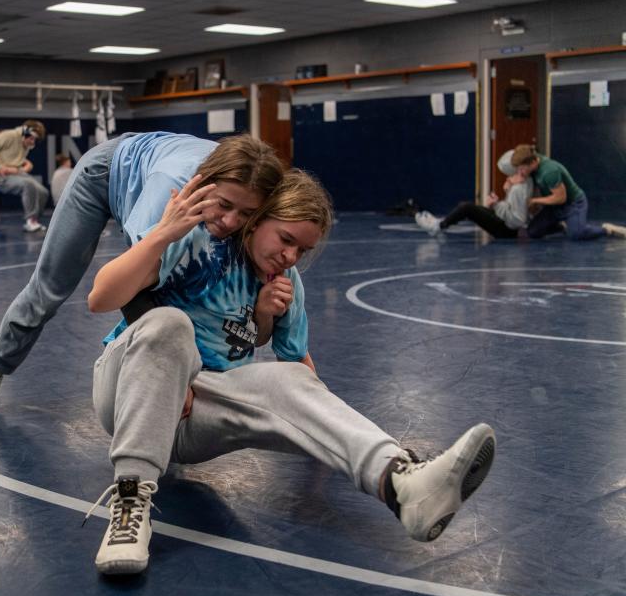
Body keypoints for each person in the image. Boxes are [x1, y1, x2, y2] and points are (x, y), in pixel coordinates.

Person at [83, 170, 497, 574]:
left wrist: (324, 430)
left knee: (293, 379)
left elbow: (299, 371)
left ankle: (402, 483)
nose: (290, 256)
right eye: (285, 239)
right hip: (127, 395)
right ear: (257, 219)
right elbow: (101, 297)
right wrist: (161, 235)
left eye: (301, 250)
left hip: (194, 423)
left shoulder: (284, 283)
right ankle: (129, 503)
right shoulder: (194, 241)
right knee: (168, 325)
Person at [0, 132, 286, 418]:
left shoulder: (255, 197)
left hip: (161, 164)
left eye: (245, 214)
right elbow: (131, 290)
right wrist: (179, 377)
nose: (229, 222)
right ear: (204, 185)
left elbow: (283, 279)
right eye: (223, 206)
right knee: (51, 286)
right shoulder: (169, 189)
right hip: (105, 175)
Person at [512, 144, 626, 240]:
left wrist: (535, 200)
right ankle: (563, 226)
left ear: (532, 163)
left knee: (576, 234)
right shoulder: (532, 159)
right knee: (532, 232)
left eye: (522, 169)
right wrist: (510, 181)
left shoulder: (549, 171)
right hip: (554, 207)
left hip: (573, 204)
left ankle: (607, 229)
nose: (520, 172)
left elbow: (561, 198)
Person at [414, 150, 531, 239]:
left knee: (467, 207)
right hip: (506, 224)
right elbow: (512, 207)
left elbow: (516, 219)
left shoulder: (519, 188)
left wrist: (496, 205)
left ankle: (438, 226)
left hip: (506, 230)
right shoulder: (523, 182)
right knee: (464, 207)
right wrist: (507, 189)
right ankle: (441, 223)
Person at [0, 120, 50, 233]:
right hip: (2, 177)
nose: (32, 142)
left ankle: (34, 219)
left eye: (35, 139)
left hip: (16, 173)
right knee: (28, 185)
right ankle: (30, 221)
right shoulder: (9, 135)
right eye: (31, 138)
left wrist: (22, 167)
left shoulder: (26, 142)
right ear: (25, 132)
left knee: (43, 192)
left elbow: (13, 156)